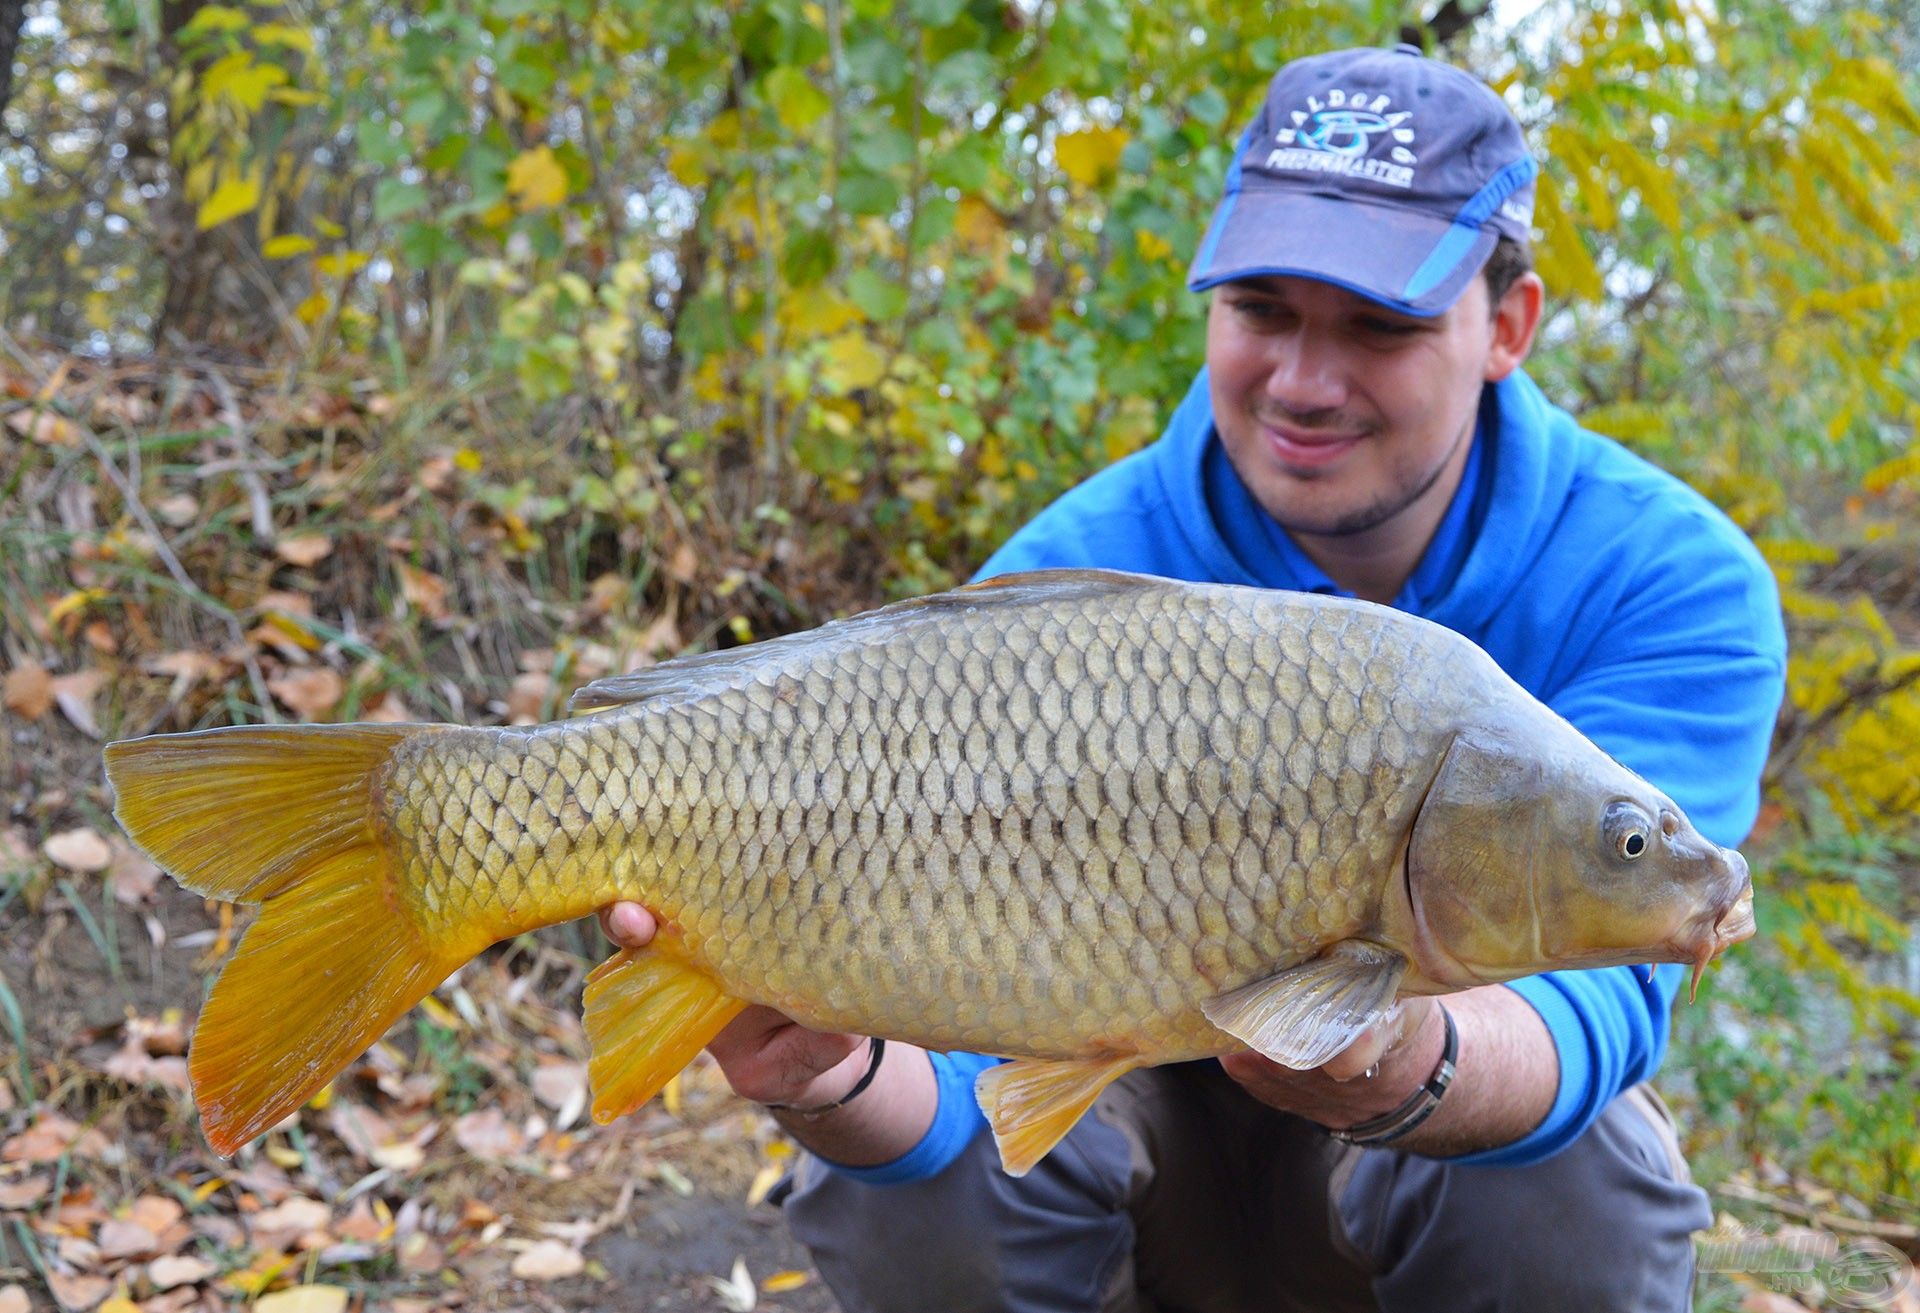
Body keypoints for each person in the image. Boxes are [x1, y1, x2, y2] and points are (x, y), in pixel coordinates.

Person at [600, 43, 1786, 1312]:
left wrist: (1406, 1059)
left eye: (1379, 325)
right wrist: (829, 1079)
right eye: (1263, 311)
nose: (1305, 383)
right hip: (1119, 1107)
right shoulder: (1072, 572)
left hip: (1425, 1103)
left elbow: (1603, 998)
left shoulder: (1667, 576)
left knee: (1574, 1187)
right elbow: (954, 1079)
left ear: (1508, 326)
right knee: (895, 1197)